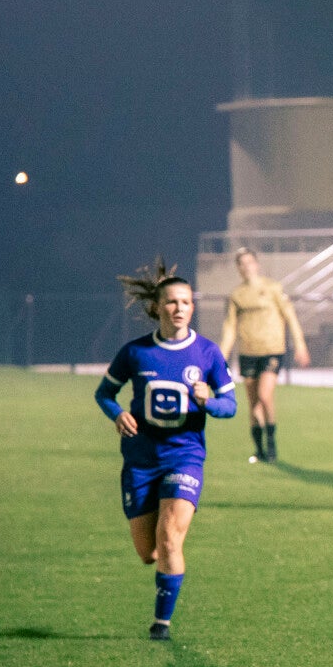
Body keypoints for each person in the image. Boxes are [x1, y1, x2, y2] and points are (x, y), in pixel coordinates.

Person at [95, 258, 238, 640]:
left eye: (186, 302)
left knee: (170, 537)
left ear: (193, 307)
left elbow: (230, 406)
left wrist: (208, 401)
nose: (179, 308)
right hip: (140, 460)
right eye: (172, 302)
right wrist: (117, 414)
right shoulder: (136, 352)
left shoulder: (207, 353)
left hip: (184, 457)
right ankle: (165, 565)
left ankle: (161, 623)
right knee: (149, 552)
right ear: (157, 307)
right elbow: (104, 393)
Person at [217, 245, 309, 464]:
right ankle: (259, 450)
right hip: (248, 352)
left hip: (272, 351)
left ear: (257, 264)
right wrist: (220, 357)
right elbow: (230, 328)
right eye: (242, 264)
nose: (246, 267)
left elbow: (290, 316)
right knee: (253, 403)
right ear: (238, 268)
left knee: (265, 396)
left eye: (250, 262)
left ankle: (271, 442)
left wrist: (300, 344)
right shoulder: (237, 295)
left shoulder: (273, 288)